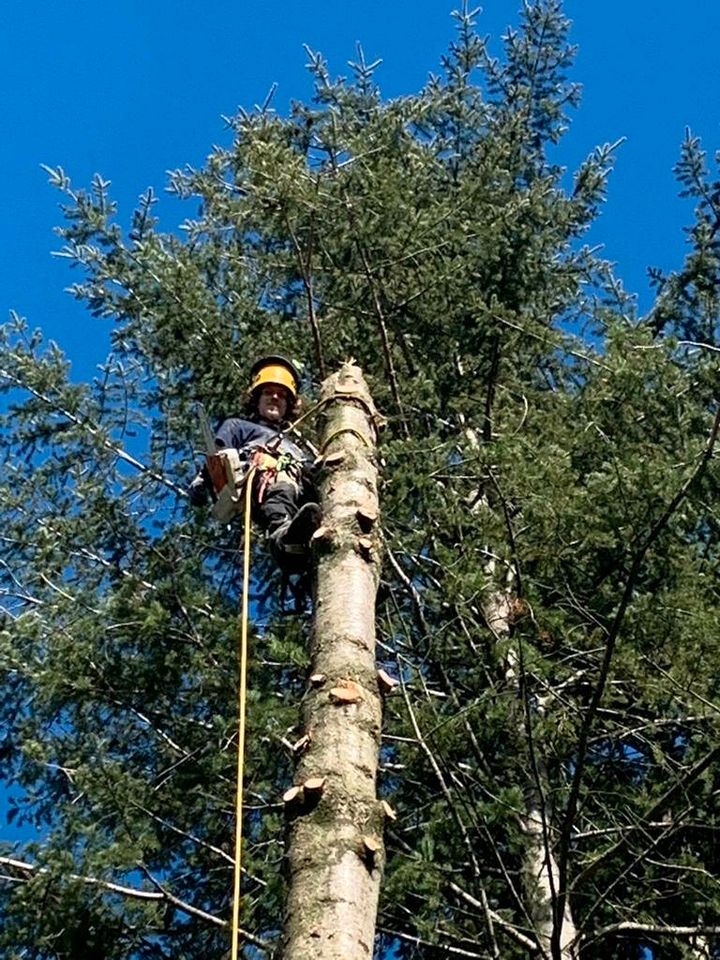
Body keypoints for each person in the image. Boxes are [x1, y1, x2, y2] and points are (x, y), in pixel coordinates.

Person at [189, 355, 320, 571]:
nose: (274, 397)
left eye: (281, 395)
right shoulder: (239, 427)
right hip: (258, 478)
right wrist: (202, 480)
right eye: (268, 392)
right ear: (256, 399)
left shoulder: (297, 448)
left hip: (298, 493)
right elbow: (218, 455)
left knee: (314, 512)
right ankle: (283, 536)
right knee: (282, 487)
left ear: (289, 405)